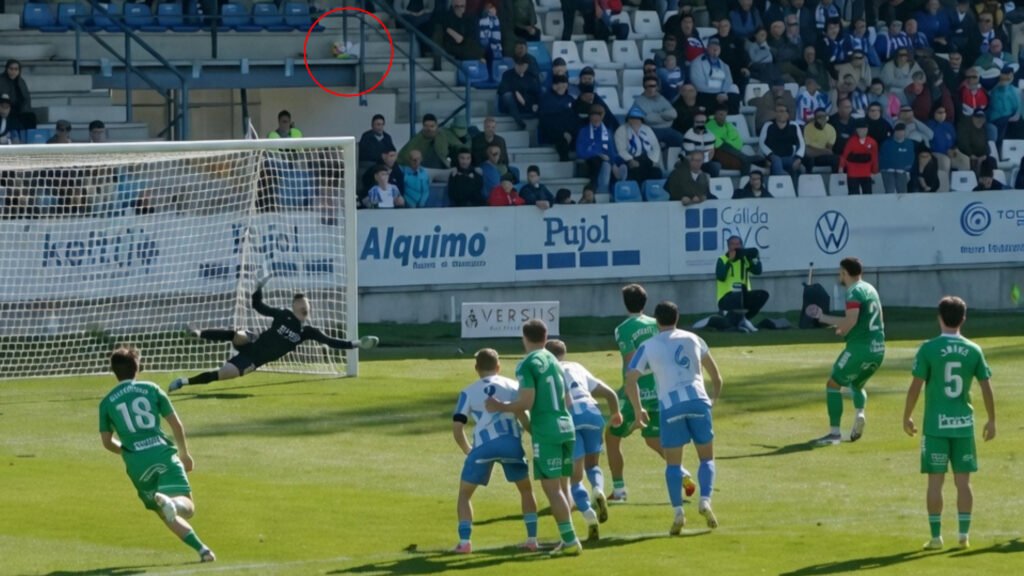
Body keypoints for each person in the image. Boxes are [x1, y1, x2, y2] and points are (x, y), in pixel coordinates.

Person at [99, 346, 215, 563]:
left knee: (164, 512)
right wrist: (185, 454)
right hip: (161, 453)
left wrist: (126, 452)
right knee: (187, 507)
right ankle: (176, 504)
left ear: (114, 371)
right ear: (138, 368)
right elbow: (175, 424)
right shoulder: (151, 389)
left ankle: (202, 550)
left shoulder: (107, 401)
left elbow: (106, 442)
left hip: (136, 463)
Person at [168, 275, 379, 392]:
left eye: (308, 306)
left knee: (221, 375)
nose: (306, 309)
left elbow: (332, 342)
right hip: (252, 341)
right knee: (238, 334)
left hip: (253, 360)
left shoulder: (308, 331)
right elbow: (258, 306)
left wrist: (356, 343)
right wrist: (259, 287)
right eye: (302, 305)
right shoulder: (283, 315)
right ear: (295, 306)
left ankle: (183, 382)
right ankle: (198, 332)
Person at [902, 296, 996, 551]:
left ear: (939, 317)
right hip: (963, 425)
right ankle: (964, 536)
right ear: (963, 319)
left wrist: (907, 416)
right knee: (963, 482)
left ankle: (936, 537)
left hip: (935, 426)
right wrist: (992, 420)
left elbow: (915, 388)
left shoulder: (928, 348)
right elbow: (986, 388)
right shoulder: (974, 350)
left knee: (935, 482)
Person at [625, 300, 723, 533]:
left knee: (673, 464)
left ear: (656, 321)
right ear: (677, 317)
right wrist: (713, 401)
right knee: (706, 459)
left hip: (670, 406)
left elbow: (631, 379)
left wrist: (638, 411)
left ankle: (678, 512)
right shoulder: (694, 339)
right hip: (699, 401)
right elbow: (717, 377)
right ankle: (705, 500)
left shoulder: (648, 345)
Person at [486, 319, 582, 557]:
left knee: (552, 490)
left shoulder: (527, 364)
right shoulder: (556, 361)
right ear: (546, 336)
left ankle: (570, 541)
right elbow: (568, 400)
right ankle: (565, 537)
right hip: (566, 426)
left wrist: (501, 406)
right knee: (563, 486)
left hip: (547, 429)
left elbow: (526, 402)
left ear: (524, 338)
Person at [606, 284, 696, 503]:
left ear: (624, 303)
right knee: (653, 439)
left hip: (636, 391)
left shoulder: (623, 329)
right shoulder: (655, 324)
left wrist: (632, 399)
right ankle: (681, 472)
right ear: (645, 303)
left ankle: (619, 490)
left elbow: (631, 365)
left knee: (611, 435)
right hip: (660, 388)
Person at [451, 348, 539, 554]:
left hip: (483, 447)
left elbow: (457, 427)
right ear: (498, 367)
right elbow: (525, 418)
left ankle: (465, 542)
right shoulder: (514, 386)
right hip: (511, 444)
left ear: (476, 368)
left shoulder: (467, 392)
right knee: (526, 490)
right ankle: (532, 539)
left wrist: (468, 450)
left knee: (465, 494)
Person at [805, 257, 886, 446]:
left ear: (844, 272)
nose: (838, 276)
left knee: (833, 384)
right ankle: (860, 413)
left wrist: (843, 329)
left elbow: (851, 319)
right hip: (878, 349)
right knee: (856, 384)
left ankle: (834, 434)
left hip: (859, 349)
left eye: (839, 272)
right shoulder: (869, 288)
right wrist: (822, 317)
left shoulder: (854, 292)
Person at [546, 339, 622, 538]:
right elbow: (610, 393)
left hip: (569, 417)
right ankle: (598, 489)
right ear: (564, 353)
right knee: (593, 465)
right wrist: (615, 414)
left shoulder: (548, 371)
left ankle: (589, 515)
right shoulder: (577, 367)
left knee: (575, 477)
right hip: (591, 412)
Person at [716, 235, 768, 333]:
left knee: (762, 295)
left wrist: (755, 258)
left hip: (743, 296)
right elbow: (721, 277)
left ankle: (745, 320)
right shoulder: (722, 259)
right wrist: (730, 260)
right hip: (726, 298)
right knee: (739, 297)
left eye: (738, 244)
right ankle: (729, 316)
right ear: (728, 246)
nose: (735, 247)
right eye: (733, 244)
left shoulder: (744, 260)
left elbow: (757, 271)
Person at [576, 104, 624, 195]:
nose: (596, 120)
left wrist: (613, 163)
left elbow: (611, 151)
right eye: (593, 118)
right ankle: (602, 189)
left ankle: (618, 187)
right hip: (589, 162)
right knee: (599, 161)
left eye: (598, 118)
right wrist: (598, 154)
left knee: (616, 162)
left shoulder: (608, 132)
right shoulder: (584, 131)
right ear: (590, 117)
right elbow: (580, 152)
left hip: (606, 161)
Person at [615, 106, 663, 186]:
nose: (635, 121)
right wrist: (630, 160)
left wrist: (654, 160)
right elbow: (621, 150)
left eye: (638, 119)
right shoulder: (621, 130)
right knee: (635, 171)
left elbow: (655, 146)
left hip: (647, 159)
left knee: (656, 172)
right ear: (628, 119)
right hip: (631, 159)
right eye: (632, 118)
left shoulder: (647, 129)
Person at [759, 103, 806, 177]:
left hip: (788, 157)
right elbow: (762, 143)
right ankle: (785, 179)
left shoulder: (794, 125)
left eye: (783, 111)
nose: (780, 113)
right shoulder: (768, 125)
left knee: (801, 167)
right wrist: (770, 155)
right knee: (777, 160)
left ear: (788, 114)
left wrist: (799, 158)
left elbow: (801, 143)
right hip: (772, 157)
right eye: (778, 111)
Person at [538, 76, 577, 161]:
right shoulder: (546, 99)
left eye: (564, 84)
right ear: (554, 86)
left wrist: (569, 132)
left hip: (569, 132)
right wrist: (563, 132)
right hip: (552, 131)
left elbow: (574, 119)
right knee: (561, 140)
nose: (562, 86)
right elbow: (546, 120)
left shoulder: (570, 99)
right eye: (560, 84)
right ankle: (565, 161)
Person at [498, 57, 540, 130]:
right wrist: (515, 92)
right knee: (507, 96)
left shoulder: (530, 76)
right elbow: (502, 90)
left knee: (541, 92)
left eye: (524, 66)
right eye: (519, 65)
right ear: (515, 65)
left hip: (527, 103)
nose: (521, 68)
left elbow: (535, 91)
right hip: (511, 104)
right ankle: (519, 121)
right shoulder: (507, 74)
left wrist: (533, 104)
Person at [839, 119, 879, 195]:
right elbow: (845, 155)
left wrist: (874, 170)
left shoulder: (872, 142)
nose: (862, 131)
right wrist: (841, 166)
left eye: (864, 129)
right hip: (853, 173)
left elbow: (874, 157)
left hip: (866, 173)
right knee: (853, 195)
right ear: (856, 130)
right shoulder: (851, 141)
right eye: (860, 129)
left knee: (868, 195)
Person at [880, 123, 915, 194]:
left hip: (902, 171)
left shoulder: (909, 143)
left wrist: (908, 167)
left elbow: (911, 156)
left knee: (902, 192)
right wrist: (885, 167)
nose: (900, 134)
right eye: (898, 132)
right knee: (889, 191)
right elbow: (882, 157)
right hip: (888, 170)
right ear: (894, 132)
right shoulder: (887, 143)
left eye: (902, 132)